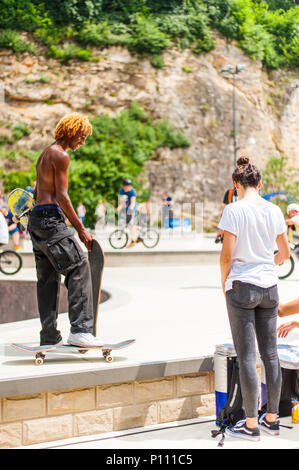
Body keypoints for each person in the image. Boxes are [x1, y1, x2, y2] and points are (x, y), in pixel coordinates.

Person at [218, 156, 290, 441]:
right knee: (271, 354)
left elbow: (226, 255)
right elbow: (284, 254)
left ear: (236, 185)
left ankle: (250, 425)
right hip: (270, 288)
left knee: (248, 357)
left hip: (242, 286)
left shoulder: (233, 210)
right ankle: (272, 419)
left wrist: (223, 283)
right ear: (260, 184)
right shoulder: (274, 210)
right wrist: (266, 265)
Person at [28, 112, 104, 347]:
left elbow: (38, 188)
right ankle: (81, 330)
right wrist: (81, 230)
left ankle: (49, 335)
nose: (83, 141)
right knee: (79, 265)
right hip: (51, 220)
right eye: (81, 136)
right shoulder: (61, 155)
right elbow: (62, 196)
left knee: (48, 278)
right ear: (70, 131)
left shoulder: (45, 153)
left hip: (37, 221)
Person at [117, 178, 137, 249]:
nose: (127, 189)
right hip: (126, 208)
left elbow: (133, 203)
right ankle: (134, 232)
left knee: (131, 224)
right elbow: (122, 202)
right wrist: (118, 208)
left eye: (129, 187)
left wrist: (130, 211)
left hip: (132, 208)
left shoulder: (132, 192)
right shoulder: (121, 191)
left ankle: (133, 240)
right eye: (125, 187)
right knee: (127, 224)